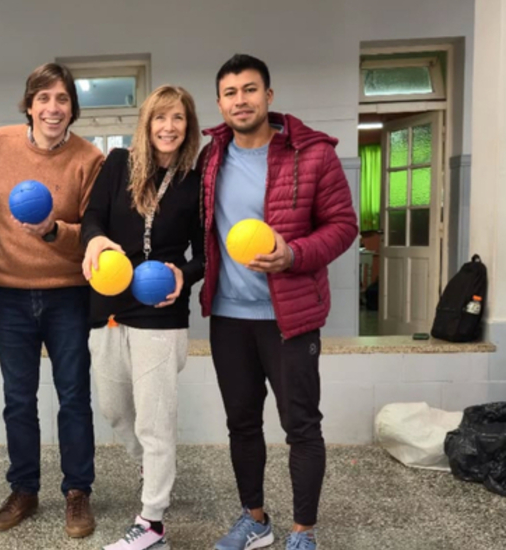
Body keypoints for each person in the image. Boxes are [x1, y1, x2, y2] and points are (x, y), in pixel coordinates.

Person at [198, 55, 358, 550]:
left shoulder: (312, 154)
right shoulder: (210, 157)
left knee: (300, 425)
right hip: (228, 317)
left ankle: (303, 531)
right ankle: (255, 519)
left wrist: (293, 254)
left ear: (269, 95)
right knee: (241, 424)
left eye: (250, 90)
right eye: (230, 92)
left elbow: (343, 226)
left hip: (289, 318)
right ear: (220, 102)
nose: (240, 100)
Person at [0, 62, 104, 539]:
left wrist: (51, 232)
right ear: (28, 104)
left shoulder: (89, 158)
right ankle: (24, 489)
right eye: (43, 98)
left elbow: (94, 233)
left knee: (73, 398)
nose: (52, 107)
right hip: (9, 295)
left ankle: (77, 492)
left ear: (72, 108)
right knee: (17, 400)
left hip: (68, 295)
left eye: (62, 99)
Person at [81, 85, 204, 550]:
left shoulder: (194, 179)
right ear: (146, 123)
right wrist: (93, 239)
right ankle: (151, 466)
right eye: (160, 118)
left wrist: (183, 273)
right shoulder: (117, 165)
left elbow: (205, 253)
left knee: (155, 421)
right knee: (114, 409)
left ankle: (152, 523)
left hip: (160, 310)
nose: (168, 127)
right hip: (108, 305)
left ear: (187, 125)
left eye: (177, 118)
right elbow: (91, 216)